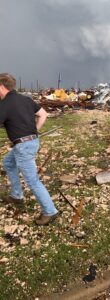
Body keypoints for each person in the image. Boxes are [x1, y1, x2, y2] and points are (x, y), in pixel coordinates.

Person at [0, 73, 59, 225]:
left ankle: (50, 211)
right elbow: (43, 115)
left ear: (2, 87)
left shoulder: (5, 104)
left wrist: (26, 137)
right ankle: (16, 195)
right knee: (8, 162)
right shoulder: (26, 99)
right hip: (31, 142)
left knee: (32, 181)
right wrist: (34, 133)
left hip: (23, 146)